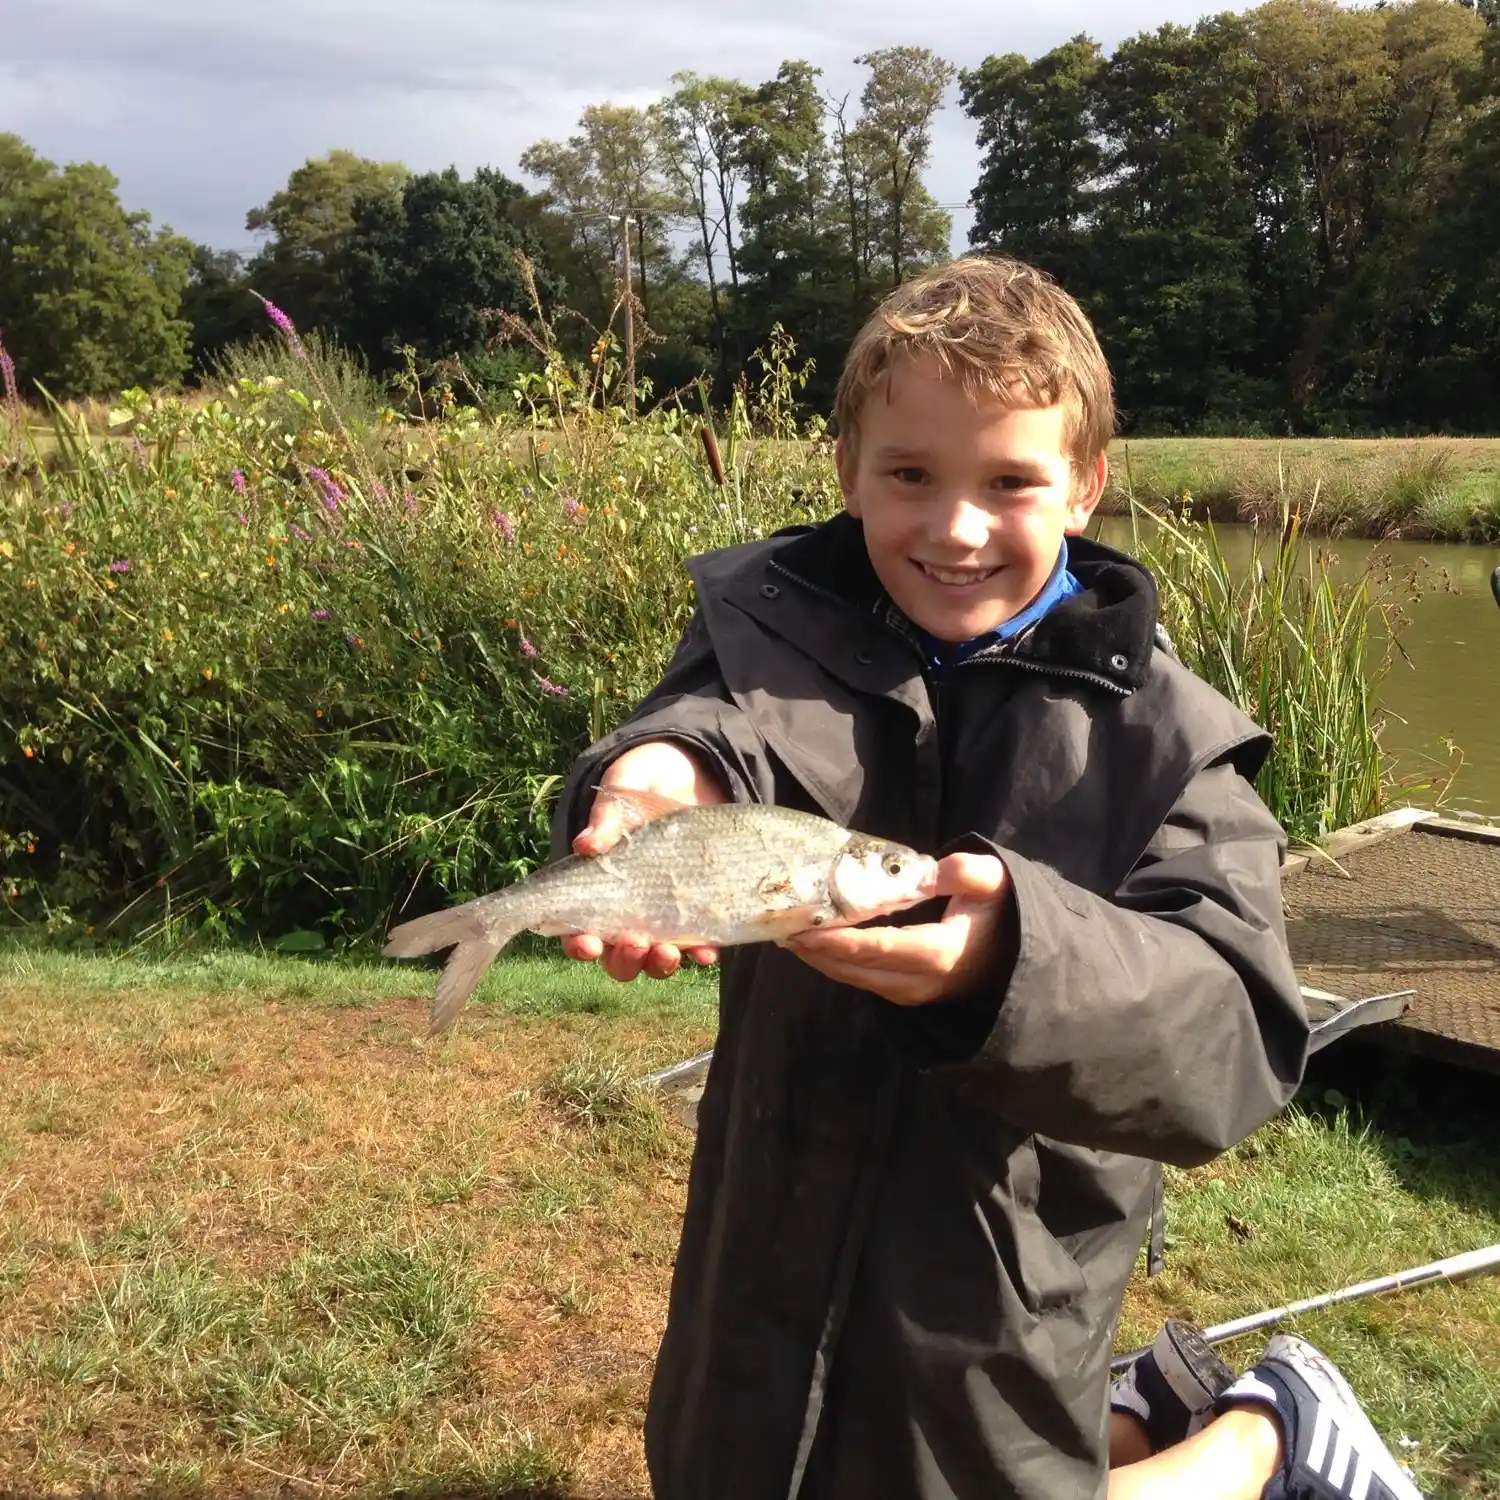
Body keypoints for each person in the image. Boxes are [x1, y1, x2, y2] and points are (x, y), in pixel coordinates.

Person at [550, 256, 1423, 1500]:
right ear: (847, 469)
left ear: (1084, 486)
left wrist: (1009, 965)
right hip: (758, 1261)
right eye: (910, 475)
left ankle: (1266, 1433)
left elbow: (1234, 1038)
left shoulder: (1170, 740)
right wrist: (658, 768)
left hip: (1008, 1285)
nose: (953, 529)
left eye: (1009, 482)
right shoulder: (771, 628)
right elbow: (716, 724)